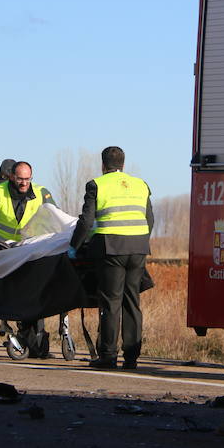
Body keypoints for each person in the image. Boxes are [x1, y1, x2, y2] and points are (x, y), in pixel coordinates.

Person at [69, 146, 153, 369]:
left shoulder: (96, 185)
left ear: (103, 165)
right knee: (132, 301)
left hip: (110, 248)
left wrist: (74, 246)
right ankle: (132, 356)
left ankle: (107, 355)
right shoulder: (141, 184)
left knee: (111, 302)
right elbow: (149, 219)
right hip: (138, 248)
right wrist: (140, 241)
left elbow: (86, 221)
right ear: (123, 165)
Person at [0, 160, 57, 359]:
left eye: (28, 179)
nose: (24, 183)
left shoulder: (42, 193)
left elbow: (55, 219)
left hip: (27, 254)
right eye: (20, 179)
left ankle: (35, 347)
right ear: (11, 176)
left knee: (31, 300)